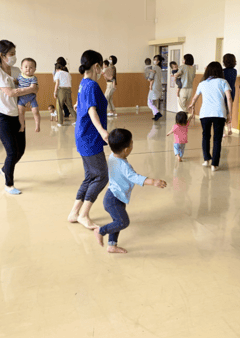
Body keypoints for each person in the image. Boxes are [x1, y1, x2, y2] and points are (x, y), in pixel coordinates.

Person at [93, 128, 167, 253]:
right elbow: (134, 177)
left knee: (117, 221)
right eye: (131, 143)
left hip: (115, 196)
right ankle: (100, 231)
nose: (132, 144)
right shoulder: (124, 165)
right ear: (126, 150)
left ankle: (112, 245)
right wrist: (153, 181)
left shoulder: (112, 155)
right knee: (123, 222)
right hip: (113, 199)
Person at [0, 40, 38, 195]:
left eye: (15, 53)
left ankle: (5, 169)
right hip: (2, 116)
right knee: (11, 152)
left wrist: (31, 90)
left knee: (20, 150)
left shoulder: (17, 70)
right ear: (2, 55)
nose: (14, 56)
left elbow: (34, 87)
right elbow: (10, 92)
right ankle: (9, 184)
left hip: (17, 115)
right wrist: (30, 89)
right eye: (11, 54)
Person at [67, 50, 109, 229]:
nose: (102, 70)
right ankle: (84, 215)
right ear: (96, 66)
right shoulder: (92, 85)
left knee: (90, 176)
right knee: (101, 176)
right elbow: (91, 110)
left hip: (83, 134)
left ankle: (74, 212)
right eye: (102, 66)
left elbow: (81, 104)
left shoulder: (83, 83)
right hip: (90, 136)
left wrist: (78, 105)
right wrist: (102, 131)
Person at [188, 62, 232, 172]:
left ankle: (206, 159)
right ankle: (214, 164)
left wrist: (192, 105)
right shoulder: (223, 82)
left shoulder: (202, 83)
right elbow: (229, 98)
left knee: (205, 136)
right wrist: (229, 114)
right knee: (217, 138)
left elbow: (195, 98)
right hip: (219, 113)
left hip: (205, 113)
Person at [17, 58, 41, 133]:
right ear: (21, 68)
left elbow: (33, 88)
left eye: (31, 67)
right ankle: (22, 126)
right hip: (21, 99)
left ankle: (37, 125)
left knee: (36, 112)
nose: (28, 69)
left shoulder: (33, 78)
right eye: (26, 67)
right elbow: (16, 82)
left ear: (34, 69)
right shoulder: (19, 76)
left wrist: (21, 90)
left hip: (31, 99)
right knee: (20, 113)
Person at [222, 53, 237, 135]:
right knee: (228, 110)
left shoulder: (223, 71)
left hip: (224, 92)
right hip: (232, 92)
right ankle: (229, 128)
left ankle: (223, 131)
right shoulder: (234, 71)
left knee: (223, 112)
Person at [148, 55, 163, 121]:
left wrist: (150, 85)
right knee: (153, 102)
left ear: (158, 61)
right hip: (158, 86)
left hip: (154, 86)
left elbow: (151, 78)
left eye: (155, 59)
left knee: (149, 102)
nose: (154, 60)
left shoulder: (154, 68)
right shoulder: (159, 68)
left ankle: (157, 113)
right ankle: (156, 115)